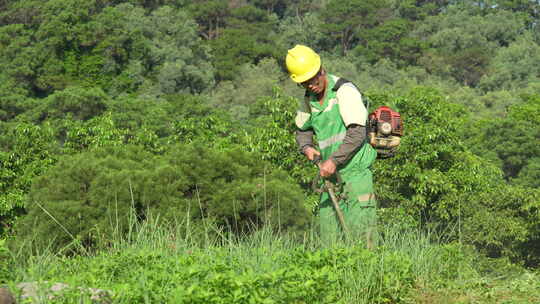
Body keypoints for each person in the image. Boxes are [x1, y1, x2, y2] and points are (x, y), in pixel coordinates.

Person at [285, 44, 377, 247]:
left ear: (321, 70)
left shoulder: (344, 91)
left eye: (312, 79)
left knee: (362, 236)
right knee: (329, 238)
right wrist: (307, 148)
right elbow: (302, 130)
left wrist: (334, 161)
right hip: (330, 177)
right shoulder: (309, 99)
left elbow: (356, 133)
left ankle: (369, 275)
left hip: (355, 173)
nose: (310, 85)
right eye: (304, 83)